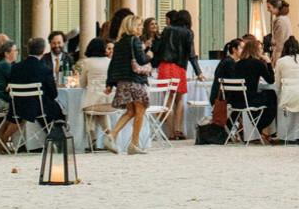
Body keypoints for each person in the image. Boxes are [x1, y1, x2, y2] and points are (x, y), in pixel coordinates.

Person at [103, 15, 152, 154]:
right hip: (135, 81)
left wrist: (109, 84)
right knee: (140, 111)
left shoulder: (118, 43)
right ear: (133, 26)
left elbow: (113, 65)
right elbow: (142, 60)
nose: (141, 28)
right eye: (139, 25)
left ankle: (112, 135)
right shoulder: (134, 41)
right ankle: (134, 144)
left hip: (123, 82)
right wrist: (150, 55)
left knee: (130, 111)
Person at [153, 9, 199, 139]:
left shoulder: (167, 30)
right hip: (179, 67)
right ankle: (178, 130)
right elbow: (191, 54)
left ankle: (171, 132)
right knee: (179, 101)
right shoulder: (188, 32)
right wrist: (198, 72)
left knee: (168, 100)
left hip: (165, 66)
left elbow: (159, 49)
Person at [8, 36, 66, 127]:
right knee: (59, 110)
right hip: (38, 110)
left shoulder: (15, 67)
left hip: (17, 108)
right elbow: (53, 94)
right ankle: (54, 136)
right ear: (43, 50)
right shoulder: (45, 69)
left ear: (28, 49)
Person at [231, 36, 278, 143]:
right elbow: (271, 80)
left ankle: (256, 129)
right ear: (256, 50)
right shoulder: (258, 64)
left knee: (266, 95)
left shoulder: (237, 64)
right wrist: (269, 63)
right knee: (271, 95)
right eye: (260, 49)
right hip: (250, 101)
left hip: (236, 101)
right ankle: (260, 127)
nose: (262, 51)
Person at [75, 38, 115, 147]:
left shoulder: (87, 62)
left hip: (93, 104)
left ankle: (92, 138)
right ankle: (109, 135)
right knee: (101, 112)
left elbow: (82, 84)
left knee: (87, 109)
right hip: (110, 102)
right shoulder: (109, 61)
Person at [210, 37, 244, 106]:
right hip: (221, 99)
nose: (244, 51)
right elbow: (235, 81)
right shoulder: (229, 62)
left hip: (220, 96)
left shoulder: (226, 60)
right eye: (242, 48)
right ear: (234, 49)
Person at [268, 0, 293, 65]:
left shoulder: (280, 21)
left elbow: (279, 43)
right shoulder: (285, 19)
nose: (268, 10)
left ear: (275, 7)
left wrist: (276, 60)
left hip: (281, 55)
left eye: (269, 7)